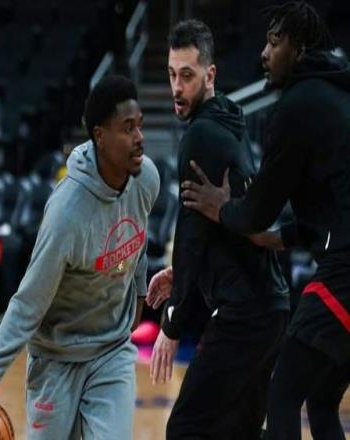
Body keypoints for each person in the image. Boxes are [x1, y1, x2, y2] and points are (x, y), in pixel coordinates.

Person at [180, 3, 350, 439]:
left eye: (275, 43)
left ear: (300, 49)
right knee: (322, 401)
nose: (264, 53)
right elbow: (322, 220)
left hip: (346, 271)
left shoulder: (299, 105)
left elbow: (256, 210)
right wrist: (271, 239)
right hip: (341, 255)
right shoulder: (336, 94)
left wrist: (221, 207)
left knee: (283, 394)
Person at [0, 75, 160, 440]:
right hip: (56, 357)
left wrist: (139, 292)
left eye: (140, 125)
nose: (139, 138)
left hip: (111, 350)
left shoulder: (146, 177)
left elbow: (139, 235)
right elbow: (29, 302)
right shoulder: (66, 214)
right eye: (127, 128)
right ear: (100, 136)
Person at [147, 19, 290, 440]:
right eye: (171, 75)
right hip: (270, 307)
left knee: (186, 429)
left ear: (209, 75)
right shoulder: (230, 120)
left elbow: (192, 232)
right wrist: (182, 274)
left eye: (187, 76)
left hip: (244, 313)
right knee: (240, 431)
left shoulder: (201, 136)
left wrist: (172, 323)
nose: (177, 88)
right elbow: (219, 226)